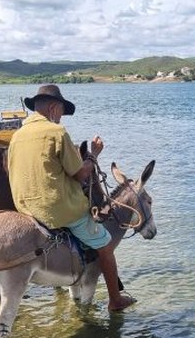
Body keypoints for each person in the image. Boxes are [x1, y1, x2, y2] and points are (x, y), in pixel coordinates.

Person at [7, 84, 135, 311]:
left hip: (24, 207)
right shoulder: (57, 133)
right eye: (62, 113)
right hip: (56, 209)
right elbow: (80, 174)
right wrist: (94, 154)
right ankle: (116, 300)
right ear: (54, 108)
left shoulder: (17, 135)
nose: (61, 119)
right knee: (105, 244)